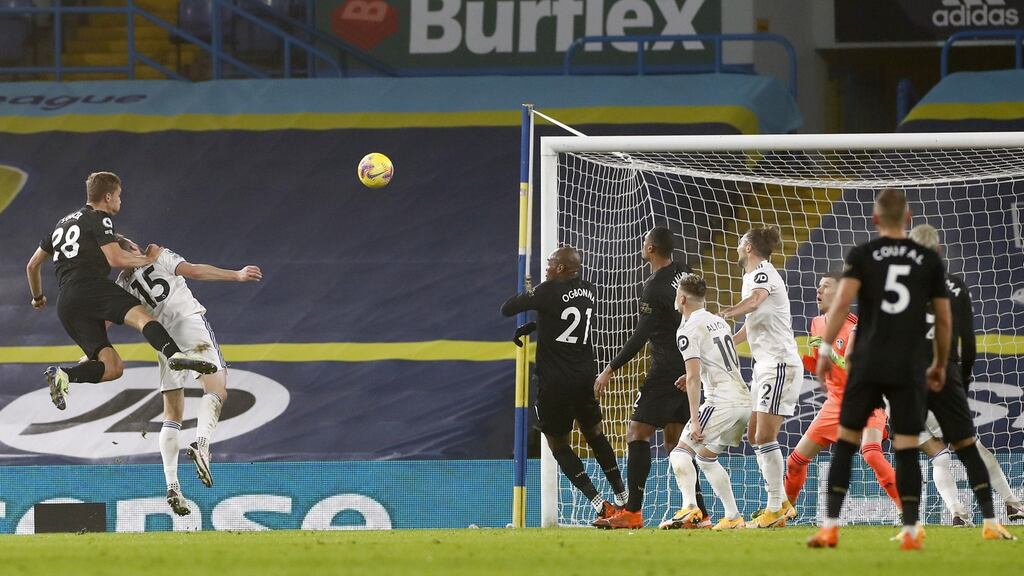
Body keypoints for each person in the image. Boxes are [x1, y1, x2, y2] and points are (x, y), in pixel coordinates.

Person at [807, 189, 1013, 551]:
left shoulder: (863, 254)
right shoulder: (927, 262)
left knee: (846, 442)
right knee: (911, 447)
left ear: (874, 220)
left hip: (870, 360)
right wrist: (939, 362)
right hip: (907, 364)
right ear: (908, 217)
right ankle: (922, 527)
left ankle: (830, 527)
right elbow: (945, 320)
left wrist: (825, 348)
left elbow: (840, 305)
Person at [24, 172, 216, 410]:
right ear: (107, 197)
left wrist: (38, 297)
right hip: (90, 286)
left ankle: (63, 375)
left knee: (112, 366)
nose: (119, 201)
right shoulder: (99, 217)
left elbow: (32, 265)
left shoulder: (60, 226)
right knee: (143, 317)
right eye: (118, 196)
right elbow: (115, 259)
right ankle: (175, 355)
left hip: (66, 303)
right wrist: (149, 258)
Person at [115, 234, 262, 516]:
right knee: (217, 387)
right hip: (189, 325)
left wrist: (90, 351)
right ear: (132, 249)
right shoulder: (159, 256)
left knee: (172, 414)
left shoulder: (122, 285)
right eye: (133, 243)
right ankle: (202, 444)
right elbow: (194, 271)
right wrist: (237, 275)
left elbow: (108, 319)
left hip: (164, 342)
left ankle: (172, 485)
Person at [501, 246, 627, 523]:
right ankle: (622, 497)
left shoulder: (546, 291)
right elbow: (564, 318)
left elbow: (507, 308)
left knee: (558, 445)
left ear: (560, 268)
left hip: (554, 382)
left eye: (550, 263)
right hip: (584, 377)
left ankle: (598, 503)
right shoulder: (589, 290)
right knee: (595, 435)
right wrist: (535, 326)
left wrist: (534, 295)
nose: (546, 267)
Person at [908, 224, 1024, 527]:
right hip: (945, 379)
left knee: (941, 455)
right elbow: (968, 343)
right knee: (970, 446)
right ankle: (1011, 504)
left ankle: (958, 512)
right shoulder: (955, 286)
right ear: (939, 250)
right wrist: (964, 379)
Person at [592, 227, 707, 529]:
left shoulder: (654, 287)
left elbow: (642, 334)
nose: (642, 246)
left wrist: (610, 368)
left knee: (637, 432)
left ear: (652, 249)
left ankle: (632, 511)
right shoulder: (683, 271)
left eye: (645, 243)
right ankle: (699, 513)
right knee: (675, 444)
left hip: (666, 369)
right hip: (688, 363)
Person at [784, 271, 902, 514]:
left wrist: (831, 355)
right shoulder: (816, 323)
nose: (818, 291)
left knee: (870, 453)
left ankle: (907, 510)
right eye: (818, 286)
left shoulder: (856, 326)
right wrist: (797, 359)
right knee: (794, 461)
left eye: (825, 286)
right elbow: (821, 367)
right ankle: (783, 512)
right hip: (835, 403)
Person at [720, 227, 802, 528]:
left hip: (779, 364)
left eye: (741, 240)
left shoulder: (762, 273)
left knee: (765, 436)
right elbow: (751, 324)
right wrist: (725, 341)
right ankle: (780, 504)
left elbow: (754, 302)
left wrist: (726, 313)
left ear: (749, 247)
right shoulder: (752, 276)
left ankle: (775, 507)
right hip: (766, 365)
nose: (738, 244)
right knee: (756, 435)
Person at [661, 274, 750, 531]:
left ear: (682, 298)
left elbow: (693, 379)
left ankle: (690, 507)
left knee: (680, 453)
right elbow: (714, 361)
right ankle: (733, 516)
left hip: (721, 400)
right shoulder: (718, 321)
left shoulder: (687, 330)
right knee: (706, 458)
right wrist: (691, 373)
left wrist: (696, 419)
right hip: (743, 400)